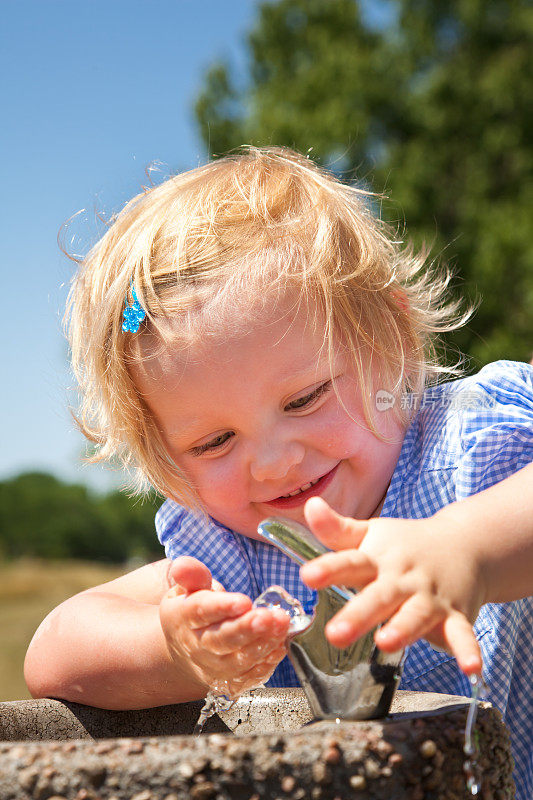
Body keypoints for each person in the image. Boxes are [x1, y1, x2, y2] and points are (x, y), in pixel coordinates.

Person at [24, 147, 532, 798]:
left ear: (390, 343)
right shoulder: (241, 553)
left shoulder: (469, 449)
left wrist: (468, 550)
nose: (271, 462)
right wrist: (173, 649)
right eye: (213, 441)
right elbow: (54, 653)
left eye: (303, 400)